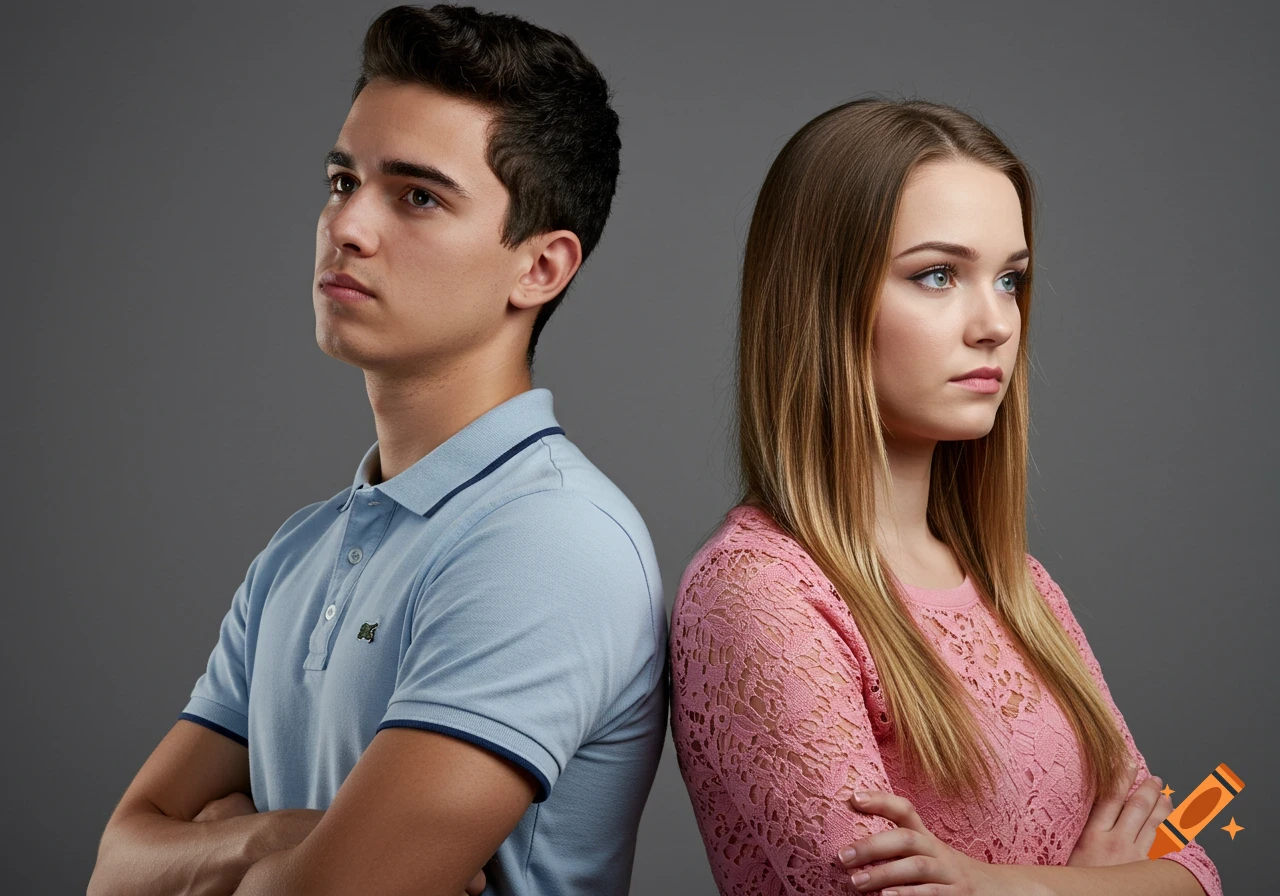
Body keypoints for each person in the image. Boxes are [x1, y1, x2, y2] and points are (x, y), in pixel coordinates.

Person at [87, 6, 667, 895]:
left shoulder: (553, 541)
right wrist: (267, 843)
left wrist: (225, 848)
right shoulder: (299, 550)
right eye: (339, 180)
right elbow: (117, 865)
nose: (348, 225)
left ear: (541, 268)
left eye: (417, 196)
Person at [669, 98, 1223, 896]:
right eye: (937, 275)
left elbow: (1194, 870)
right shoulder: (760, 592)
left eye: (1011, 280)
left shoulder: (1023, 590)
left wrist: (1004, 887)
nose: (996, 322)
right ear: (823, 299)